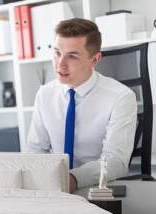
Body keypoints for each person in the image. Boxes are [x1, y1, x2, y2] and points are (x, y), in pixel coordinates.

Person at [26, 18, 137, 193]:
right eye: (57, 53)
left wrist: (73, 179)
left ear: (95, 60)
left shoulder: (121, 97)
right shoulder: (44, 94)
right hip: (54, 190)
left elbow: (116, 161)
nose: (60, 64)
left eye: (72, 56)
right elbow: (35, 150)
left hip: (99, 189)